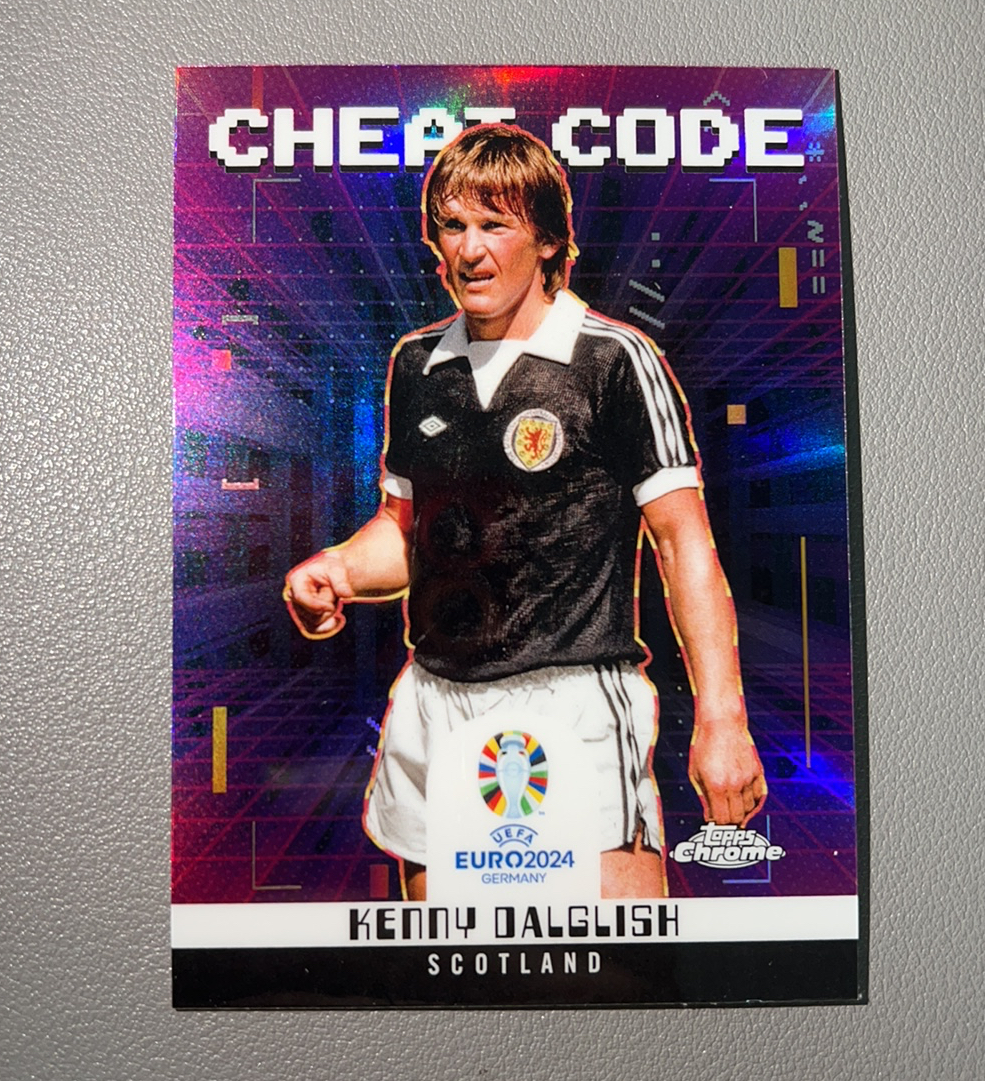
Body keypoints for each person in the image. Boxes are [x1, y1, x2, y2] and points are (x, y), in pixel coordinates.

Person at [284, 124, 766, 900]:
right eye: (453, 225)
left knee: (613, 963)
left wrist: (722, 720)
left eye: (494, 224)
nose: (470, 250)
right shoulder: (417, 364)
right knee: (448, 963)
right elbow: (405, 532)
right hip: (435, 698)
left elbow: (684, 546)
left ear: (546, 240)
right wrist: (337, 568)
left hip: (571, 701)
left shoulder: (614, 360)